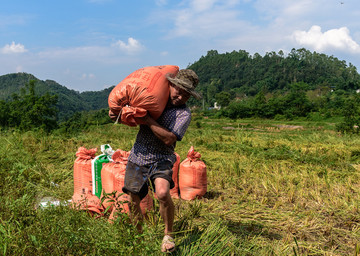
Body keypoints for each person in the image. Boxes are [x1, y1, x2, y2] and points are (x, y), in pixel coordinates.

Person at [122, 69, 201, 253]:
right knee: (133, 198)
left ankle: (168, 235)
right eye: (178, 90)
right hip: (138, 156)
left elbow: (168, 139)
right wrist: (119, 113)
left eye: (186, 95)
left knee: (163, 193)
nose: (180, 97)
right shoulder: (155, 100)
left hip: (162, 158)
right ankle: (138, 235)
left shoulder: (184, 114)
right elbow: (131, 112)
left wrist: (148, 120)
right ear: (171, 85)